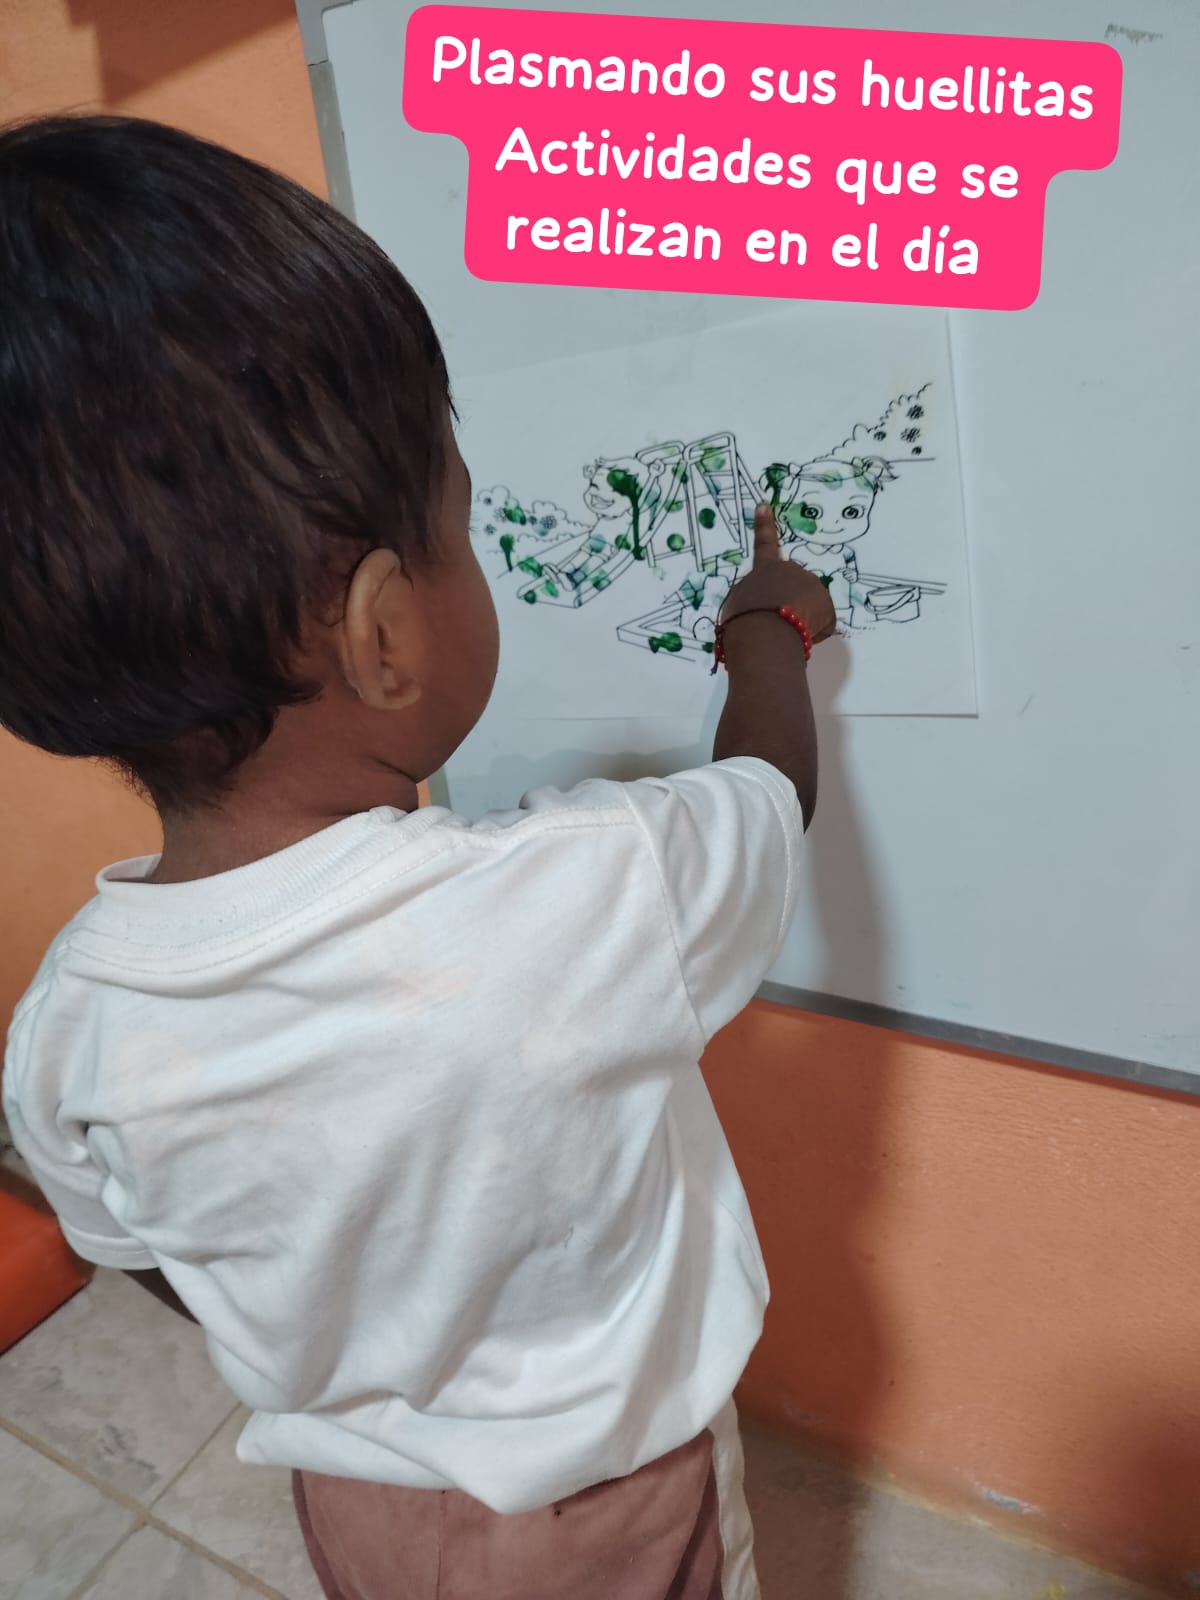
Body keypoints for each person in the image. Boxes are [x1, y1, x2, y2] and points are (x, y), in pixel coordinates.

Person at [0, 114, 835, 1600]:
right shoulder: (586, 895)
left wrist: (343, 1326)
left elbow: (135, 1246)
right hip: (611, 1508)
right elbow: (772, 793)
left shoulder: (66, 1030)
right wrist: (766, 631)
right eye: (464, 519)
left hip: (359, 1510)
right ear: (387, 634)